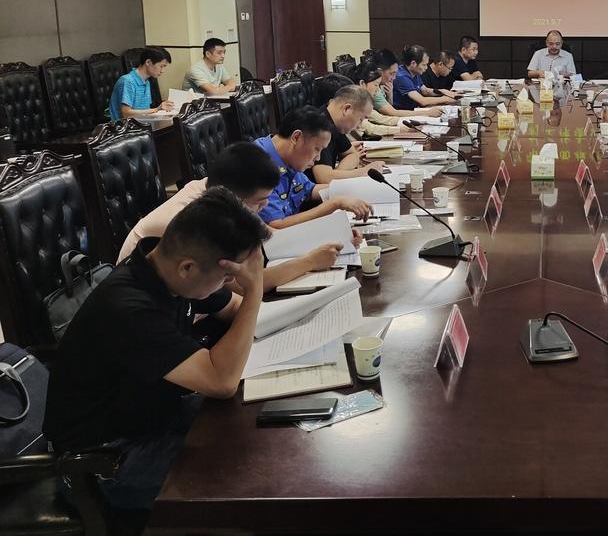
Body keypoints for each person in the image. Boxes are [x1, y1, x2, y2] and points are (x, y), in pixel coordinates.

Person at [44, 188, 272, 514]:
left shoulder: (165, 268)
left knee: (259, 420)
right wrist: (255, 290)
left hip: (155, 415)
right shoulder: (128, 307)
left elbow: (234, 311)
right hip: (103, 459)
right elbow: (221, 381)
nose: (228, 283)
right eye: (226, 277)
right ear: (188, 268)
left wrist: (249, 294)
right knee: (249, 479)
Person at [118, 142, 345, 291]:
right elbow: (242, 285)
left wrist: (334, 236)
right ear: (235, 197)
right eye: (259, 201)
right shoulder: (198, 221)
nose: (265, 206)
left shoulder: (218, 191)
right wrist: (309, 262)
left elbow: (272, 237)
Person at [254, 106, 373, 228]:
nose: (318, 158)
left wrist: (355, 189)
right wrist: (335, 203)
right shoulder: (257, 164)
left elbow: (309, 190)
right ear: (296, 137)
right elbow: (276, 226)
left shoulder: (288, 157)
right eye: (317, 149)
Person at [309, 83, 384, 183]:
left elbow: (353, 155)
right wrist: (365, 171)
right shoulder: (319, 126)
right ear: (346, 109)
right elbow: (325, 178)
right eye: (361, 119)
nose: (360, 125)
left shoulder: (335, 122)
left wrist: (336, 173)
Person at [370, 50, 441, 120]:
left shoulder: (384, 84)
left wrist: (389, 96)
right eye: (391, 73)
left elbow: (389, 110)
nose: (394, 78)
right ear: (379, 71)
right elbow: (392, 112)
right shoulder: (374, 86)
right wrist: (426, 113)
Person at [108, 46, 175, 121]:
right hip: (125, 126)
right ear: (148, 62)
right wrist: (156, 109)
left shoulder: (146, 81)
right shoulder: (127, 81)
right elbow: (126, 113)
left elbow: (145, 110)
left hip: (142, 123)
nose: (162, 71)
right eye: (161, 66)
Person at [393, 45, 454, 110]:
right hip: (404, 112)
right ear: (413, 63)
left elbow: (425, 90)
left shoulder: (415, 72)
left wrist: (443, 91)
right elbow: (422, 101)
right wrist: (445, 99)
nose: (426, 67)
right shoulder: (402, 77)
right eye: (424, 65)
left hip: (414, 109)